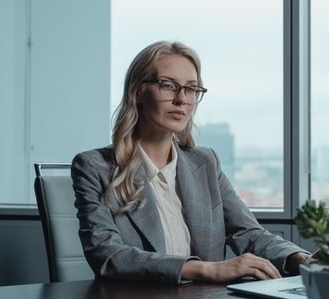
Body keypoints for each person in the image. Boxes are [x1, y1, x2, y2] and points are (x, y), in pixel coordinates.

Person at [71, 40, 309, 285]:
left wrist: (301, 259)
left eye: (191, 89)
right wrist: (207, 270)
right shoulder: (94, 167)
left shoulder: (205, 162)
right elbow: (109, 255)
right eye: (168, 86)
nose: (181, 99)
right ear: (138, 91)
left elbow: (247, 232)